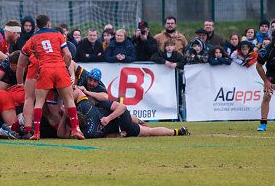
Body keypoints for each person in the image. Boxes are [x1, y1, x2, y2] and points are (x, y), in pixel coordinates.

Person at [22, 14, 84, 140]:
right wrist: (65, 67)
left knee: (39, 101)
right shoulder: (58, 34)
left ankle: (36, 133)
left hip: (45, 69)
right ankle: (75, 130)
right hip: (60, 67)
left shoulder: (33, 38)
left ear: (37, 25)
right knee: (69, 99)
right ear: (49, 23)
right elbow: (68, 55)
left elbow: (34, 56)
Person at [57, 87, 190, 139]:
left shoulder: (86, 134)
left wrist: (64, 115)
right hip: (122, 122)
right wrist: (67, 105)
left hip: (116, 122)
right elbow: (78, 92)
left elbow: (61, 134)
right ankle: (176, 132)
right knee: (146, 131)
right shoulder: (88, 108)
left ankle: (177, 132)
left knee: (147, 132)